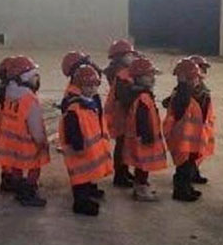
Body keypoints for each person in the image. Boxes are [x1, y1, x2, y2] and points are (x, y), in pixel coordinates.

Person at [0, 55, 50, 207]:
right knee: (34, 166)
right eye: (34, 75)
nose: (36, 79)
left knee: (16, 167)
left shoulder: (9, 94)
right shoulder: (29, 99)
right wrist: (41, 142)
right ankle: (29, 193)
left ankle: (19, 189)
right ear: (24, 77)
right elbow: (35, 127)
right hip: (28, 144)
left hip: (12, 143)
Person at [59, 64, 112, 215]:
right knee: (80, 181)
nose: (94, 90)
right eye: (89, 86)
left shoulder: (88, 103)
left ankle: (88, 193)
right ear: (80, 86)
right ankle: (80, 204)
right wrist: (78, 145)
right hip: (78, 152)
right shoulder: (74, 108)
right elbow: (71, 130)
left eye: (95, 85)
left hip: (87, 152)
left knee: (87, 177)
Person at [122, 55, 167, 202]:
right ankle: (141, 189)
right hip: (144, 138)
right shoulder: (142, 97)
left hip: (141, 137)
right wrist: (147, 136)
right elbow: (141, 119)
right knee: (143, 165)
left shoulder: (139, 94)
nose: (152, 78)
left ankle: (140, 185)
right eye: (149, 76)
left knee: (141, 165)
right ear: (138, 77)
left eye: (152, 75)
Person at [162, 58, 204, 202]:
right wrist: (183, 82)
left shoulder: (187, 93)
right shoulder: (182, 95)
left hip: (188, 140)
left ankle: (187, 188)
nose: (196, 82)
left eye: (197, 78)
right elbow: (182, 100)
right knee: (183, 169)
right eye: (193, 79)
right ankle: (180, 192)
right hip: (181, 140)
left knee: (188, 167)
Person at [103, 39, 137, 187]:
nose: (132, 57)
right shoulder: (121, 74)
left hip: (121, 112)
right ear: (120, 56)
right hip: (120, 114)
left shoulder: (119, 70)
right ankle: (120, 175)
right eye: (129, 55)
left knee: (123, 144)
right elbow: (125, 97)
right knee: (122, 145)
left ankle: (123, 171)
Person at [188, 55, 215, 184]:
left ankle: (193, 172)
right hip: (190, 130)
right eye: (201, 68)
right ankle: (185, 180)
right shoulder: (187, 90)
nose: (203, 72)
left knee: (197, 152)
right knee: (189, 154)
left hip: (201, 127)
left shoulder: (201, 89)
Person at [0, 55, 16, 192]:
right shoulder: (12, 92)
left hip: (2, 121)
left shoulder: (2, 87)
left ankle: (8, 175)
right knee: (9, 152)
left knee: (6, 152)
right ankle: (8, 178)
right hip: (7, 123)